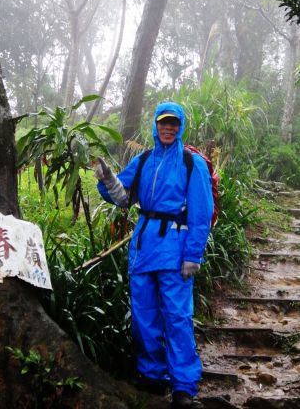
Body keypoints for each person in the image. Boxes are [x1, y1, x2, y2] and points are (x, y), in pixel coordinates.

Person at [94, 102, 213, 408]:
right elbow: (120, 194)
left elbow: (201, 213)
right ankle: (151, 376)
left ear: (181, 126)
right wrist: (106, 177)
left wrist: (193, 255)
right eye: (163, 123)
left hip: (175, 247)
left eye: (174, 123)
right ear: (156, 125)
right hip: (144, 246)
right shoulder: (144, 159)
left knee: (177, 316)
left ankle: (183, 386)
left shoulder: (191, 163)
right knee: (144, 316)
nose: (168, 128)